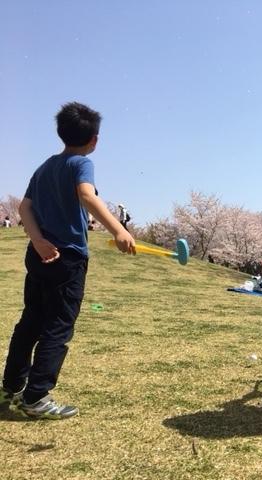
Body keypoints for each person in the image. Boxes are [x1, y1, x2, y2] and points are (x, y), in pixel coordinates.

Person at [0, 102, 136, 419]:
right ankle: (35, 398)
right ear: (95, 140)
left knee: (31, 321)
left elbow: (24, 209)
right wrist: (118, 229)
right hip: (68, 259)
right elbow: (87, 195)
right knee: (58, 327)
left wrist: (38, 240)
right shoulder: (80, 164)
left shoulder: (46, 165)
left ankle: (10, 386)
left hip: (39, 254)